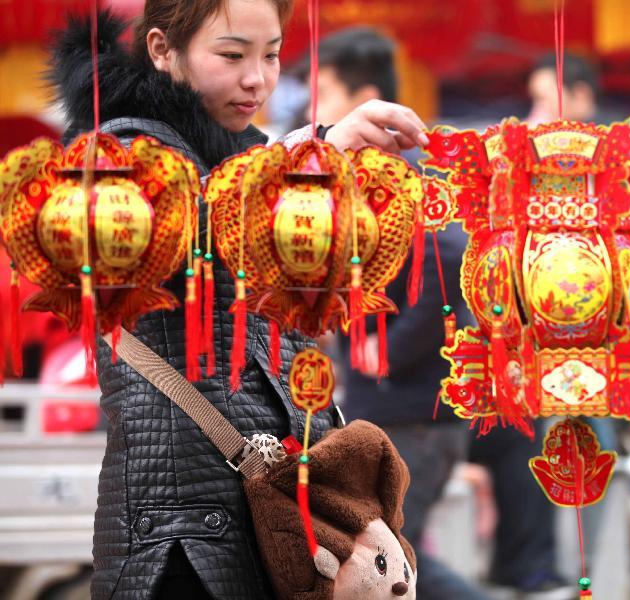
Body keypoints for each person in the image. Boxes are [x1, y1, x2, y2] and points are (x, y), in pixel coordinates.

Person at [50, 2, 429, 598]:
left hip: (261, 516)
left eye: (272, 54)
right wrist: (313, 153)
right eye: (231, 55)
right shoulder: (115, 148)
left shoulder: (240, 156)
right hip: (180, 541)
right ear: (161, 50)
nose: (257, 78)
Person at [296, 26, 494, 600]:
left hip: (416, 415)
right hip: (391, 408)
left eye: (325, 94)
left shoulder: (406, 179)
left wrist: (384, 350)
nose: (317, 112)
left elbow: (451, 259)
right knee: (386, 560)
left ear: (368, 96)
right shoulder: (346, 182)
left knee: (384, 562)